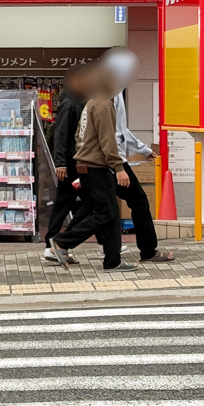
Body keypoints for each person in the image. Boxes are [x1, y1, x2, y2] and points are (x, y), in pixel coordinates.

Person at [49, 64, 138, 272]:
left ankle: (112, 260)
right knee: (105, 213)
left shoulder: (91, 103)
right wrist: (119, 167)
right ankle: (62, 241)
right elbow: (108, 141)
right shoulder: (103, 105)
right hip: (96, 166)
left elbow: (79, 136)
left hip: (86, 165)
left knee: (109, 211)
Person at [105, 50, 175, 264]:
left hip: (104, 160)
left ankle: (62, 242)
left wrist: (143, 149)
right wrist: (119, 166)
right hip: (112, 160)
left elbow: (121, 130)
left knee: (100, 207)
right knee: (138, 202)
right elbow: (114, 132)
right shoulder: (110, 91)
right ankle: (148, 251)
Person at [43, 64, 87, 264]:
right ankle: (54, 243)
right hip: (71, 163)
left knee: (74, 203)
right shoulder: (70, 103)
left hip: (75, 161)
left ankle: (53, 244)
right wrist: (60, 163)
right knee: (87, 204)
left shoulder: (78, 101)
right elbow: (61, 135)